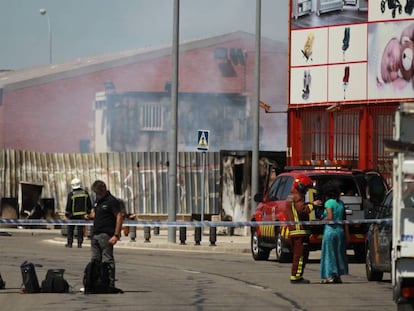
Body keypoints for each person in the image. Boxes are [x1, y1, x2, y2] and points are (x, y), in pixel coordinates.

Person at [86, 180, 123, 291]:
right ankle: (95, 282)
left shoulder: (112, 201)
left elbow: (119, 217)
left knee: (107, 260)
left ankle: (109, 283)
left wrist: (116, 235)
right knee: (95, 260)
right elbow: (95, 214)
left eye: (97, 192)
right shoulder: (98, 201)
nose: (96, 194)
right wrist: (89, 216)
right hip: (95, 235)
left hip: (106, 235)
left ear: (102, 190)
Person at [286, 174, 320, 284]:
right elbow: (302, 210)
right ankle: (296, 276)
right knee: (300, 255)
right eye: (306, 188)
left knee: (299, 254)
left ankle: (297, 275)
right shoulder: (297, 196)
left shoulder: (292, 195)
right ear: (301, 186)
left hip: (295, 230)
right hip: (299, 231)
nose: (306, 191)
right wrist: (313, 205)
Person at [320, 181, 349, 284]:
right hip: (340, 231)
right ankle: (338, 275)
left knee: (329, 254)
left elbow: (330, 217)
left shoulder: (328, 203)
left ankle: (330, 275)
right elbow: (344, 218)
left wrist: (322, 220)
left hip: (330, 231)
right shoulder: (340, 203)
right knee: (338, 254)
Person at [65, 178, 93, 248]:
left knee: (70, 229)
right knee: (80, 229)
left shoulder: (71, 194)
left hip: (72, 215)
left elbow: (69, 205)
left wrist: (67, 213)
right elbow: (89, 204)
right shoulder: (85, 193)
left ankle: (70, 243)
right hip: (82, 215)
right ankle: (79, 243)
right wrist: (88, 213)